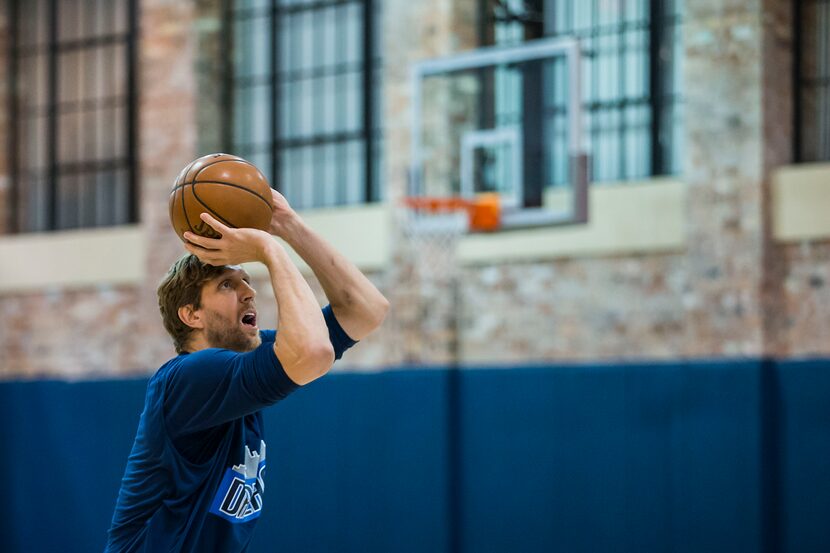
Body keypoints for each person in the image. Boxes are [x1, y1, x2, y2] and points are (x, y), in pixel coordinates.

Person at [105, 188, 389, 552]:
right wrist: (269, 250)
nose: (248, 292)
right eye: (227, 284)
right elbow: (314, 351)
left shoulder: (245, 360)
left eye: (247, 281)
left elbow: (366, 310)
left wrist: (288, 224)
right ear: (192, 315)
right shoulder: (190, 376)